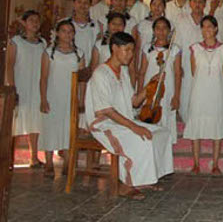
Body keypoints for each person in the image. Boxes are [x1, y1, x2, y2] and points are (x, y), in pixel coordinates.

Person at [85, 32, 173, 200]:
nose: (131, 55)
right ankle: (125, 185)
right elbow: (106, 110)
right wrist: (134, 127)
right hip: (104, 123)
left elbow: (133, 102)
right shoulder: (101, 74)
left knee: (162, 133)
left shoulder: (123, 72)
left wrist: (150, 86)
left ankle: (145, 177)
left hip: (122, 119)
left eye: (132, 50)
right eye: (127, 50)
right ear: (114, 48)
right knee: (141, 138)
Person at [183, 16, 223, 175]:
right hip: (199, 93)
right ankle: (196, 164)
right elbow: (193, 71)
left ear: (216, 28)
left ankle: (215, 164)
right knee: (196, 126)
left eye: (210, 26)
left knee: (217, 126)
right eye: (204, 27)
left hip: (216, 93)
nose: (207, 30)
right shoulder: (194, 48)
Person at [39, 19, 85, 177]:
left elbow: (82, 79)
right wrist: (43, 99)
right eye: (64, 31)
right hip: (53, 95)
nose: (67, 34)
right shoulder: (49, 52)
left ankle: (67, 163)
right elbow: (43, 77)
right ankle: (49, 163)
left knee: (69, 130)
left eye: (70, 31)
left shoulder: (79, 53)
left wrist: (81, 99)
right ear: (57, 33)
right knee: (50, 127)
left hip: (71, 97)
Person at [6, 10, 46, 167]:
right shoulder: (15, 42)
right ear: (24, 23)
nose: (35, 23)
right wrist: (12, 87)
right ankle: (9, 158)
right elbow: (9, 65)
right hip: (20, 85)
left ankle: (34, 157)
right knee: (15, 121)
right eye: (31, 20)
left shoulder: (42, 43)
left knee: (35, 121)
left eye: (37, 20)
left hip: (36, 86)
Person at [138, 17, 182, 144]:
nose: (161, 31)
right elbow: (142, 72)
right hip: (150, 89)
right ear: (153, 31)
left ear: (169, 31)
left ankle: (165, 148)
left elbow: (178, 74)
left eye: (164, 28)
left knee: (166, 114)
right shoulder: (147, 48)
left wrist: (177, 96)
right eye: (158, 28)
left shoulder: (174, 49)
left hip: (167, 88)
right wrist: (140, 91)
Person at [174, 0, 205, 122]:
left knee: (202, 93)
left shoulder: (208, 21)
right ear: (190, 4)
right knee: (186, 91)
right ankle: (186, 123)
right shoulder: (182, 20)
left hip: (204, 64)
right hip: (186, 62)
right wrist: (178, 65)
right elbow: (177, 45)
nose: (197, 5)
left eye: (200, 2)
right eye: (194, 1)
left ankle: (200, 124)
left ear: (204, 4)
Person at [65, 0, 101, 67]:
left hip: (88, 68)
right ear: (74, 4)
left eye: (86, 3)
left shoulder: (95, 25)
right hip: (66, 65)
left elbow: (97, 49)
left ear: (90, 5)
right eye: (79, 2)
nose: (82, 5)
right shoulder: (64, 23)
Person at [135, 0, 167, 65]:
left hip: (161, 58)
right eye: (154, 4)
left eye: (160, 4)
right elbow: (138, 47)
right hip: (144, 58)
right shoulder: (142, 24)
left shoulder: (169, 24)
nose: (157, 7)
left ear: (164, 7)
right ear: (150, 6)